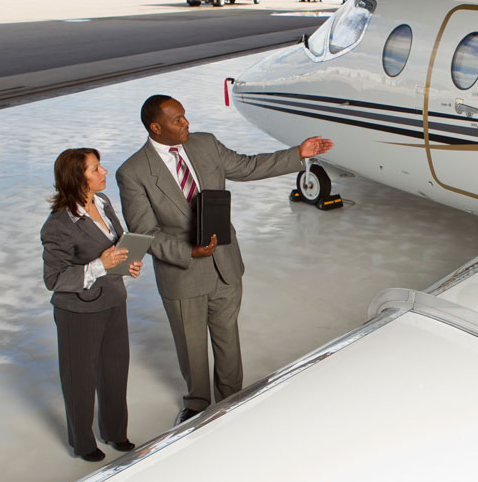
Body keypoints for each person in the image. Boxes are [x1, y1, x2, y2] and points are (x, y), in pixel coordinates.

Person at [116, 94, 332, 425]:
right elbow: (145, 233)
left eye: (185, 116)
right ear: (156, 128)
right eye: (177, 120)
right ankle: (198, 403)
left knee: (228, 338)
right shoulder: (133, 172)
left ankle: (232, 401)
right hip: (183, 274)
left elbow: (247, 166)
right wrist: (189, 251)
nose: (186, 123)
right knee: (191, 346)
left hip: (226, 264)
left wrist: (297, 155)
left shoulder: (205, 144)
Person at [41, 148, 143, 462]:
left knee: (115, 370)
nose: (104, 173)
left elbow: (117, 244)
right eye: (95, 169)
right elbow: (54, 278)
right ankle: (83, 443)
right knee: (80, 379)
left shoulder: (103, 203)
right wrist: (100, 265)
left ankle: (115, 432)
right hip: (78, 311)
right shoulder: (58, 225)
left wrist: (128, 263)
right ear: (78, 177)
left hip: (114, 301)